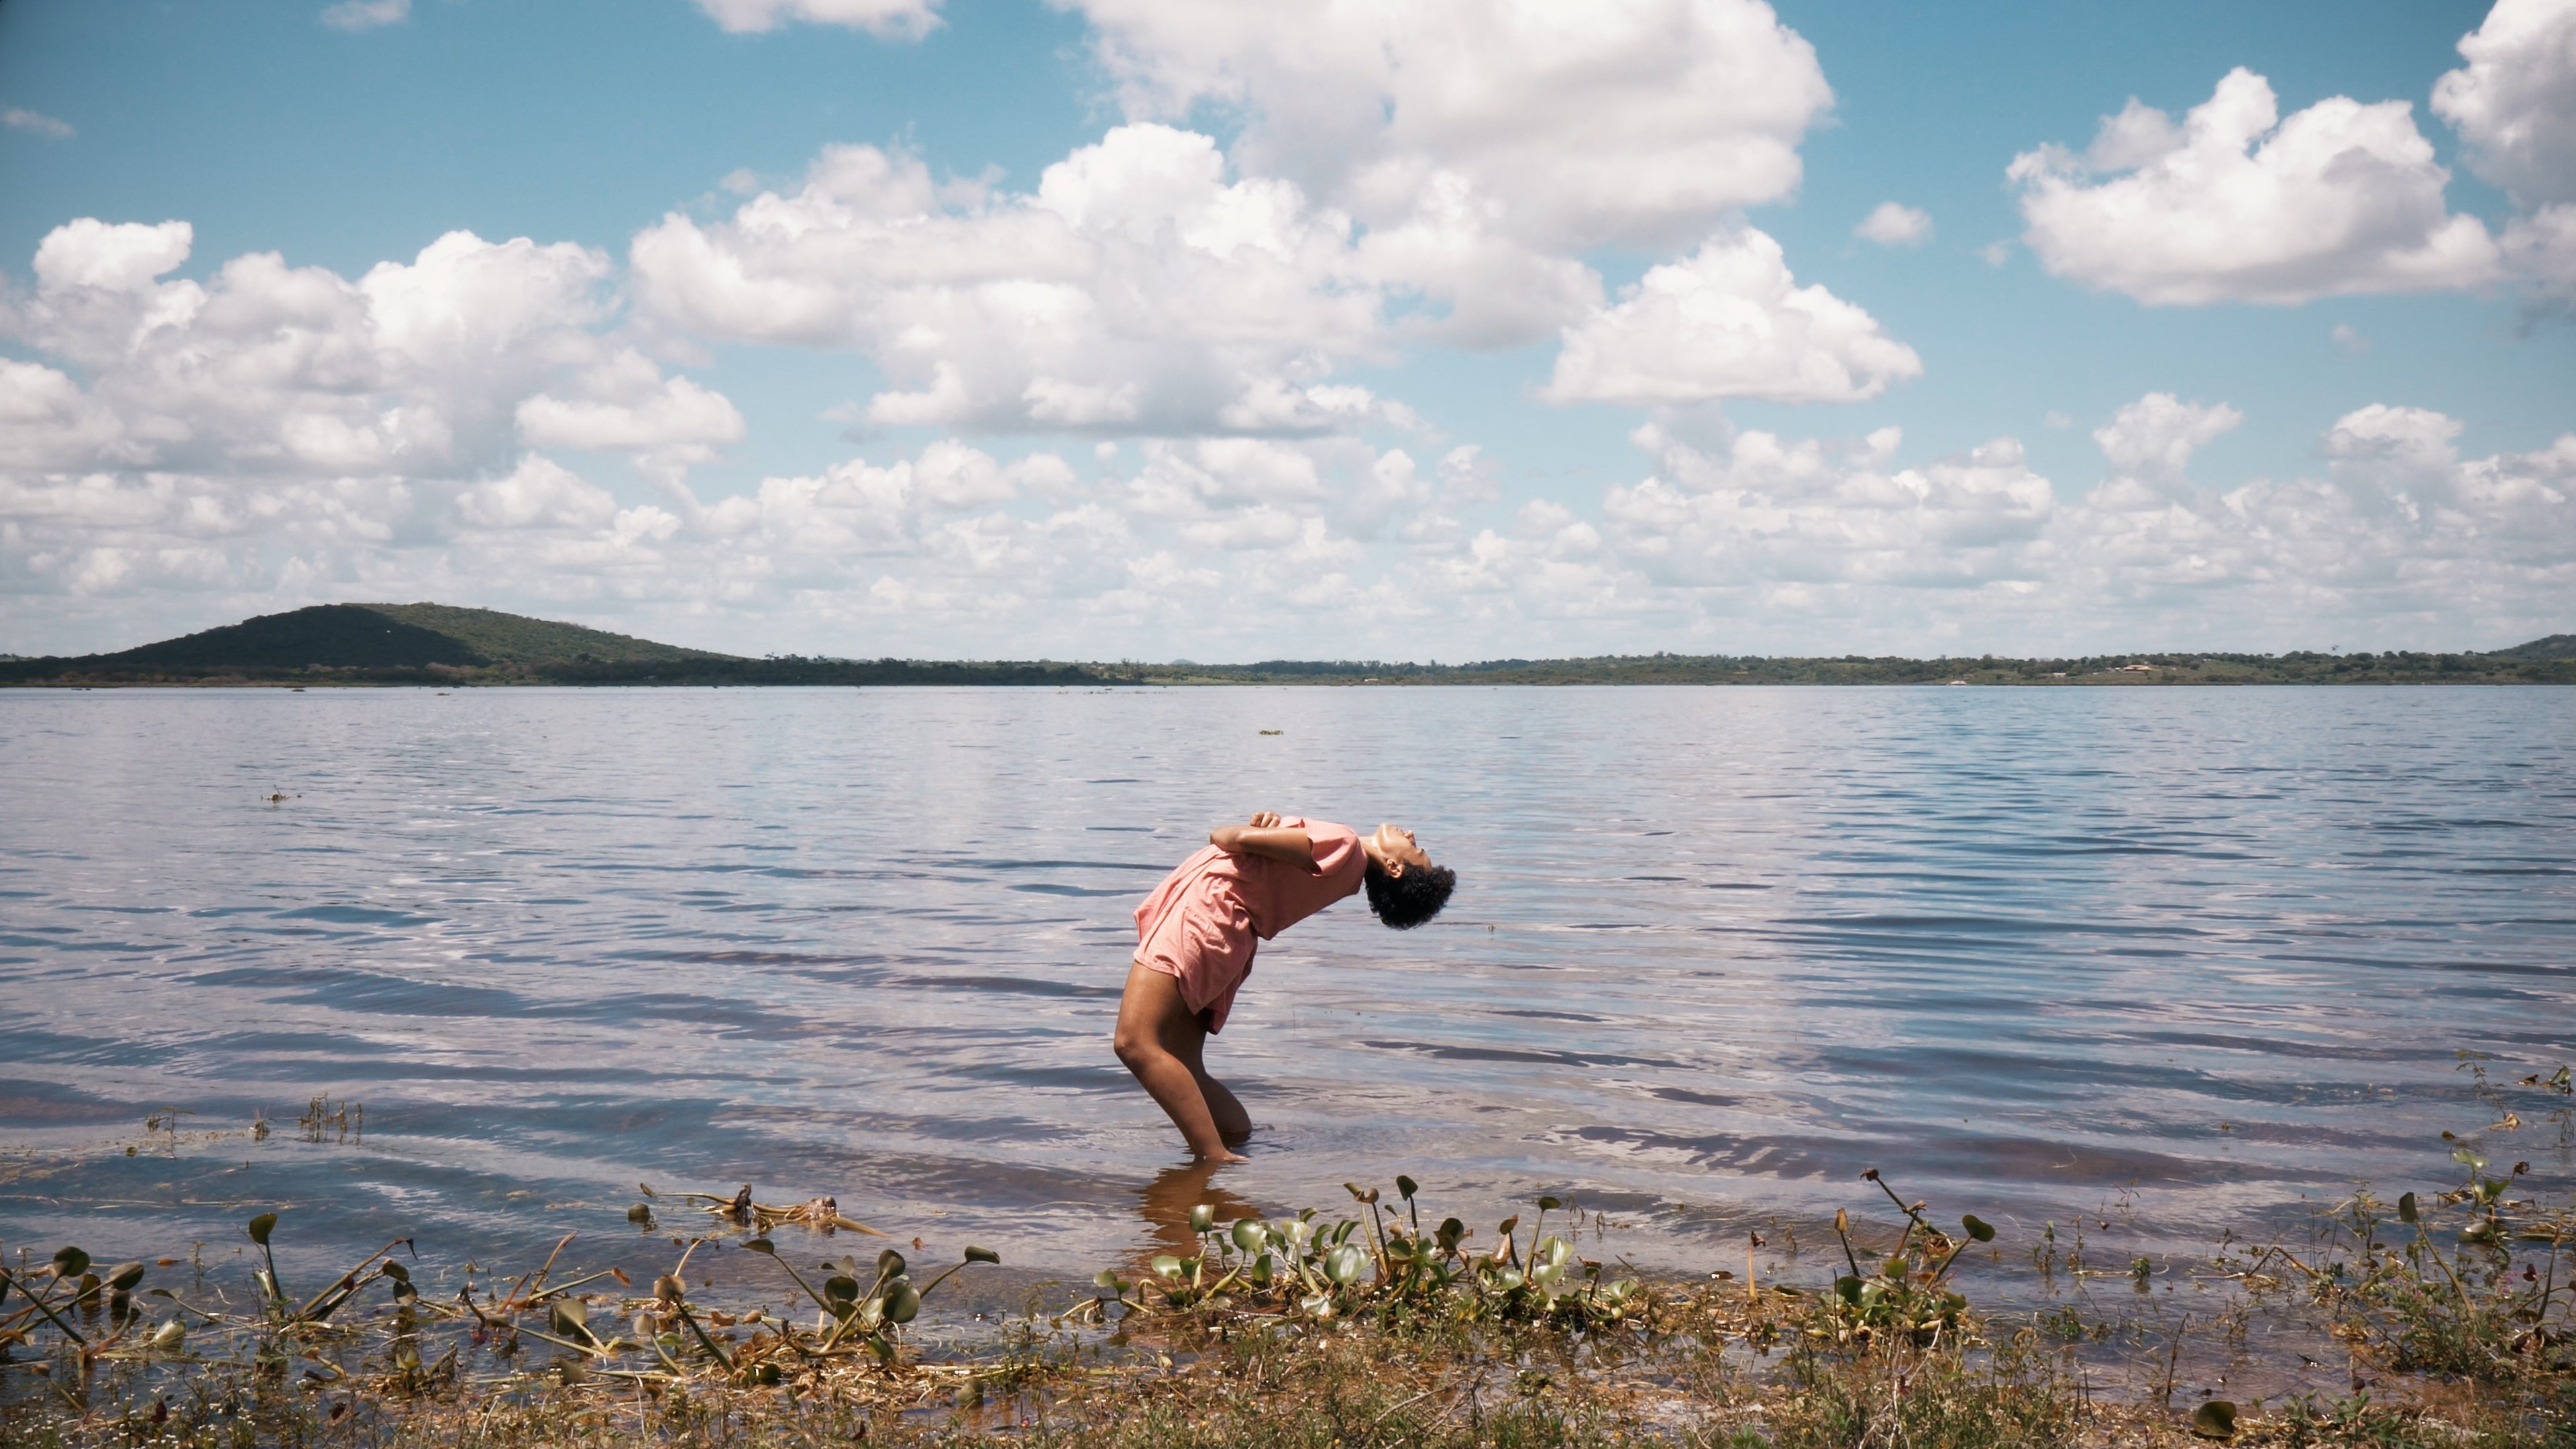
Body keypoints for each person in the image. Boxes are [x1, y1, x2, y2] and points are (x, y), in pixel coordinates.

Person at [1114, 812, 1456, 1163]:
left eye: (1417, 848)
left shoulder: (1347, 845)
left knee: (1134, 1042)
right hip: (1223, 931)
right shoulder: (1347, 869)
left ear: (1395, 868)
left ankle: (1213, 1158)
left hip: (1206, 921)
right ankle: (1237, 1142)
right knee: (1185, 1061)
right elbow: (1267, 866)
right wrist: (1272, 828)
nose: (1411, 834)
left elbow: (1236, 840)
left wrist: (1231, 832)